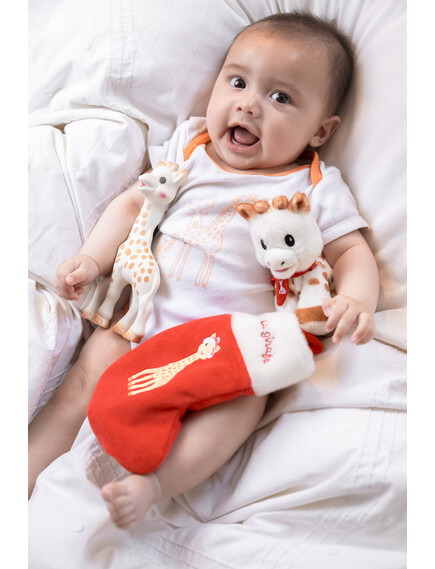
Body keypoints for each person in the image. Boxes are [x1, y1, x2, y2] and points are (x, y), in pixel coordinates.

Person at [28, 11, 379, 530]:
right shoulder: (190, 149)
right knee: (80, 384)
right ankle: (22, 475)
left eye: (280, 97)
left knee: (240, 407)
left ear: (320, 130)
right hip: (141, 323)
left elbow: (351, 252)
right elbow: (135, 205)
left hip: (223, 346)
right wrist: (93, 258)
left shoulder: (314, 185)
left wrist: (357, 300)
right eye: (237, 82)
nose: (249, 104)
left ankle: (156, 485)